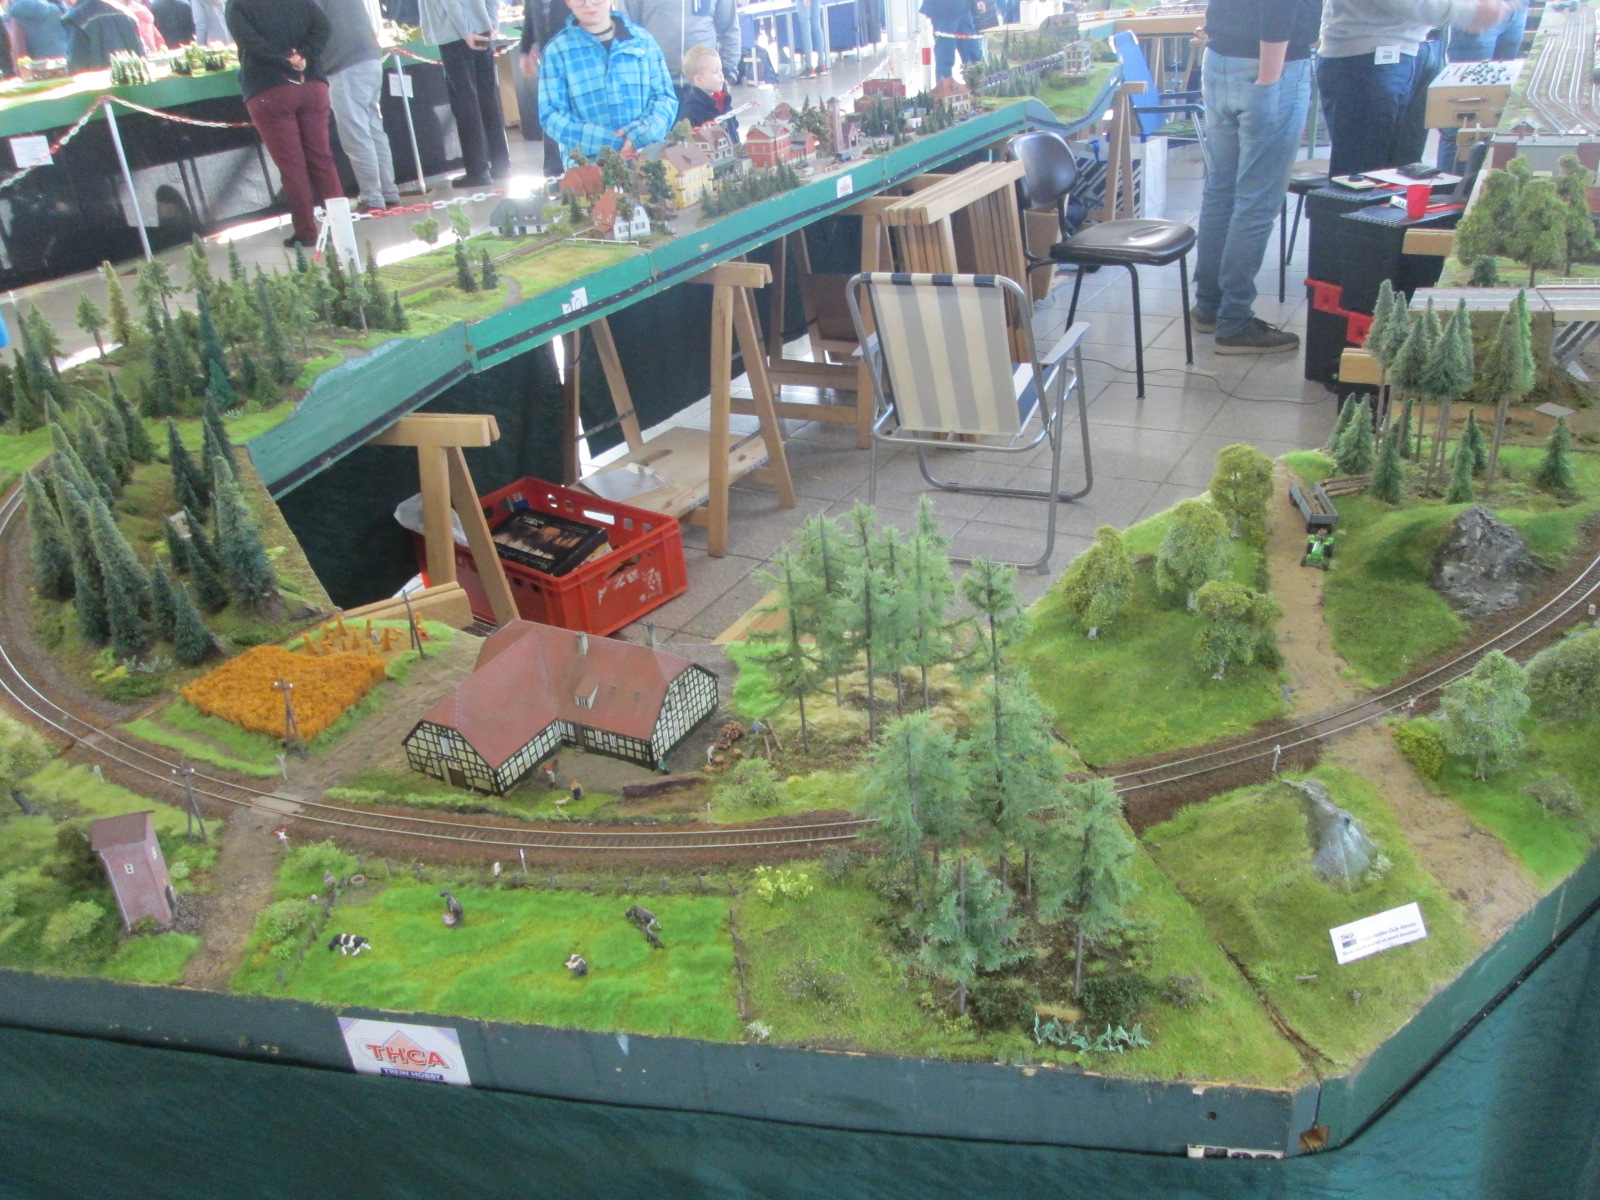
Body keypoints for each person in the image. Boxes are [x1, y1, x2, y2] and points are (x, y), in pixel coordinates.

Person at [1191, 0, 1321, 357]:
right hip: (1269, 66)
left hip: (1221, 58)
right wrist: (1269, 80)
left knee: (1222, 192)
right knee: (1256, 201)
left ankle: (1209, 306)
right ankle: (1234, 321)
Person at [1318, 0, 1511, 179]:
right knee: (1364, 178)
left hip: (1419, 46)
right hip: (1368, 53)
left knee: (1404, 174)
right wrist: (1466, 11)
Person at [226, 0, 340, 247]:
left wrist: (284, 60)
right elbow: (323, 27)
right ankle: (340, 226)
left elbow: (250, 42)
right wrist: (304, 55)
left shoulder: (237, 4)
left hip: (268, 87)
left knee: (292, 166)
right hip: (312, 82)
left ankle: (306, 231)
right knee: (322, 158)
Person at [537, 0, 677, 167]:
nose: (588, 4)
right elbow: (551, 114)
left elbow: (665, 97)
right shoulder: (557, 51)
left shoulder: (642, 40)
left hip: (646, 164)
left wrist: (638, 136)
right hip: (589, 169)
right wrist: (611, 142)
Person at [316, 0, 400, 211]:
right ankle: (388, 192)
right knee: (373, 129)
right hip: (369, 56)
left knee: (356, 135)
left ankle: (372, 198)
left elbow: (311, 22)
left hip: (343, 64)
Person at [419, 0, 509, 187]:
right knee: (488, 98)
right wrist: (492, 24)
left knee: (465, 102)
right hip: (482, 29)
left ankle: (478, 170)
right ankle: (501, 164)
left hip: (455, 33)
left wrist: (466, 31)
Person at [1437, 0, 1526, 172]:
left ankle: (1480, 182)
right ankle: (1452, 186)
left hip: (1516, 9)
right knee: (1461, 121)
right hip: (1478, 7)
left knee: (1496, 114)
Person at [622, 0, 737, 85]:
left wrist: (728, 73)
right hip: (656, 86)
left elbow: (729, 29)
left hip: (705, 87)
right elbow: (625, 30)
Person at [520, 0, 571, 174]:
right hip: (548, 58)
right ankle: (554, 172)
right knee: (550, 112)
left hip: (574, 55)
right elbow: (530, 17)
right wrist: (524, 51)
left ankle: (576, 169)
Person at [677, 42, 736, 140]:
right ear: (699, 80)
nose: (721, 75)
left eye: (720, 70)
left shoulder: (724, 100)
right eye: (715, 72)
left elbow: (734, 126)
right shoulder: (691, 110)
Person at [62, 0, 141, 70]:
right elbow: (139, 54)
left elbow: (76, 63)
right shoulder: (126, 15)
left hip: (97, 77)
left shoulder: (77, 17)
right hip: (128, 76)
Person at [919, 0, 983, 83]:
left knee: (972, 57)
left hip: (966, 9)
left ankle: (975, 85)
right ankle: (945, 86)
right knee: (945, 58)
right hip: (942, 11)